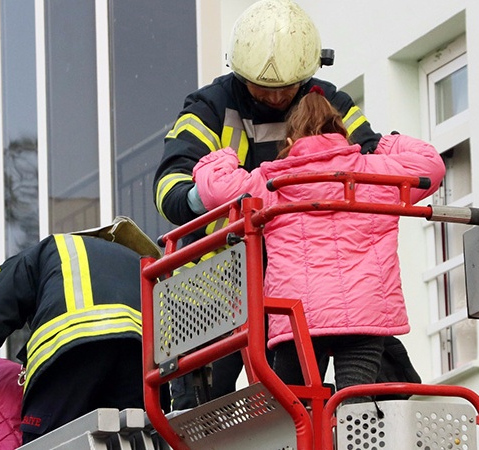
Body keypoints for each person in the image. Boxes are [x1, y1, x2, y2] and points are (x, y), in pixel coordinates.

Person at [153, 0, 417, 408]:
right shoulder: (208, 109)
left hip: (310, 278)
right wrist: (216, 195)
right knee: (204, 406)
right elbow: (171, 187)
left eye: (287, 86)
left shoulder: (331, 103)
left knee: (375, 385)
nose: (276, 96)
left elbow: (369, 164)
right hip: (220, 284)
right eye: (263, 86)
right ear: (239, 73)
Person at [191, 86, 445, 400]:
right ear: (343, 134)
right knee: (357, 405)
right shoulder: (376, 173)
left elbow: (215, 191)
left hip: (297, 316)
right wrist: (383, 144)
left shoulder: (273, 180)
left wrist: (224, 156)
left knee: (294, 406)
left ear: (289, 142)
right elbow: (431, 165)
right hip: (365, 310)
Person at [0, 218, 163, 444]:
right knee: (134, 439)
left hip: (73, 351)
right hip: (144, 360)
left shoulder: (53, 250)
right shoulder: (141, 262)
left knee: (50, 442)